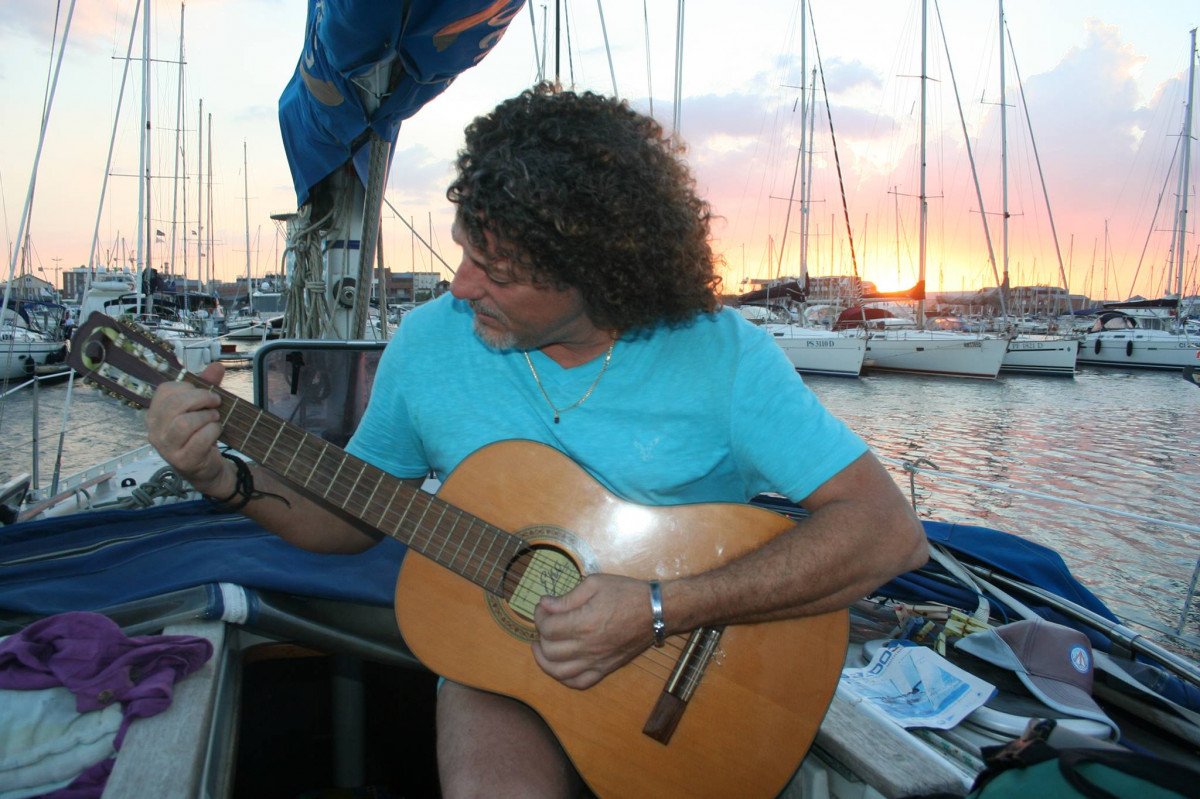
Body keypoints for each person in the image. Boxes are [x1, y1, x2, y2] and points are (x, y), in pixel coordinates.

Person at [146, 83, 928, 798]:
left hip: (694, 665)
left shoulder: (724, 358)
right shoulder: (427, 346)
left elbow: (887, 534)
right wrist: (222, 475)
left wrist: (660, 607)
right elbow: (352, 516)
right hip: (505, 672)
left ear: (598, 273)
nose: (459, 285)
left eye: (496, 269)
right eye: (463, 249)